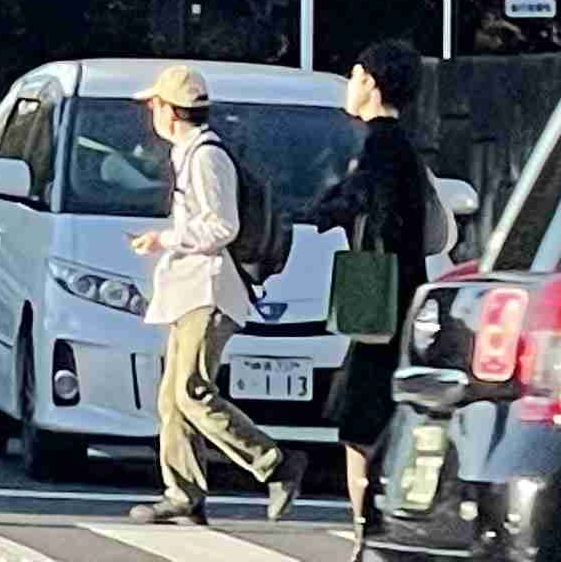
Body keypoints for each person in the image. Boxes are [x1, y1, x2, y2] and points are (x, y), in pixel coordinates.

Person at [126, 64, 300, 528]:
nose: (151, 112)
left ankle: (275, 463)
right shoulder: (190, 153)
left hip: (208, 289)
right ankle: (183, 495)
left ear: (170, 110)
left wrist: (165, 239)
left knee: (191, 391)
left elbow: (224, 226)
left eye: (154, 104)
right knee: (172, 399)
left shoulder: (206, 156)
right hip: (192, 288)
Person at [315, 41, 439, 540]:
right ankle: (372, 528)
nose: (349, 85)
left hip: (380, 296)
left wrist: (331, 207)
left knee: (361, 420)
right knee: (378, 413)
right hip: (402, 291)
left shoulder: (380, 145)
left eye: (353, 75)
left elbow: (374, 206)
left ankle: (368, 531)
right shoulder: (402, 146)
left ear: (368, 80)